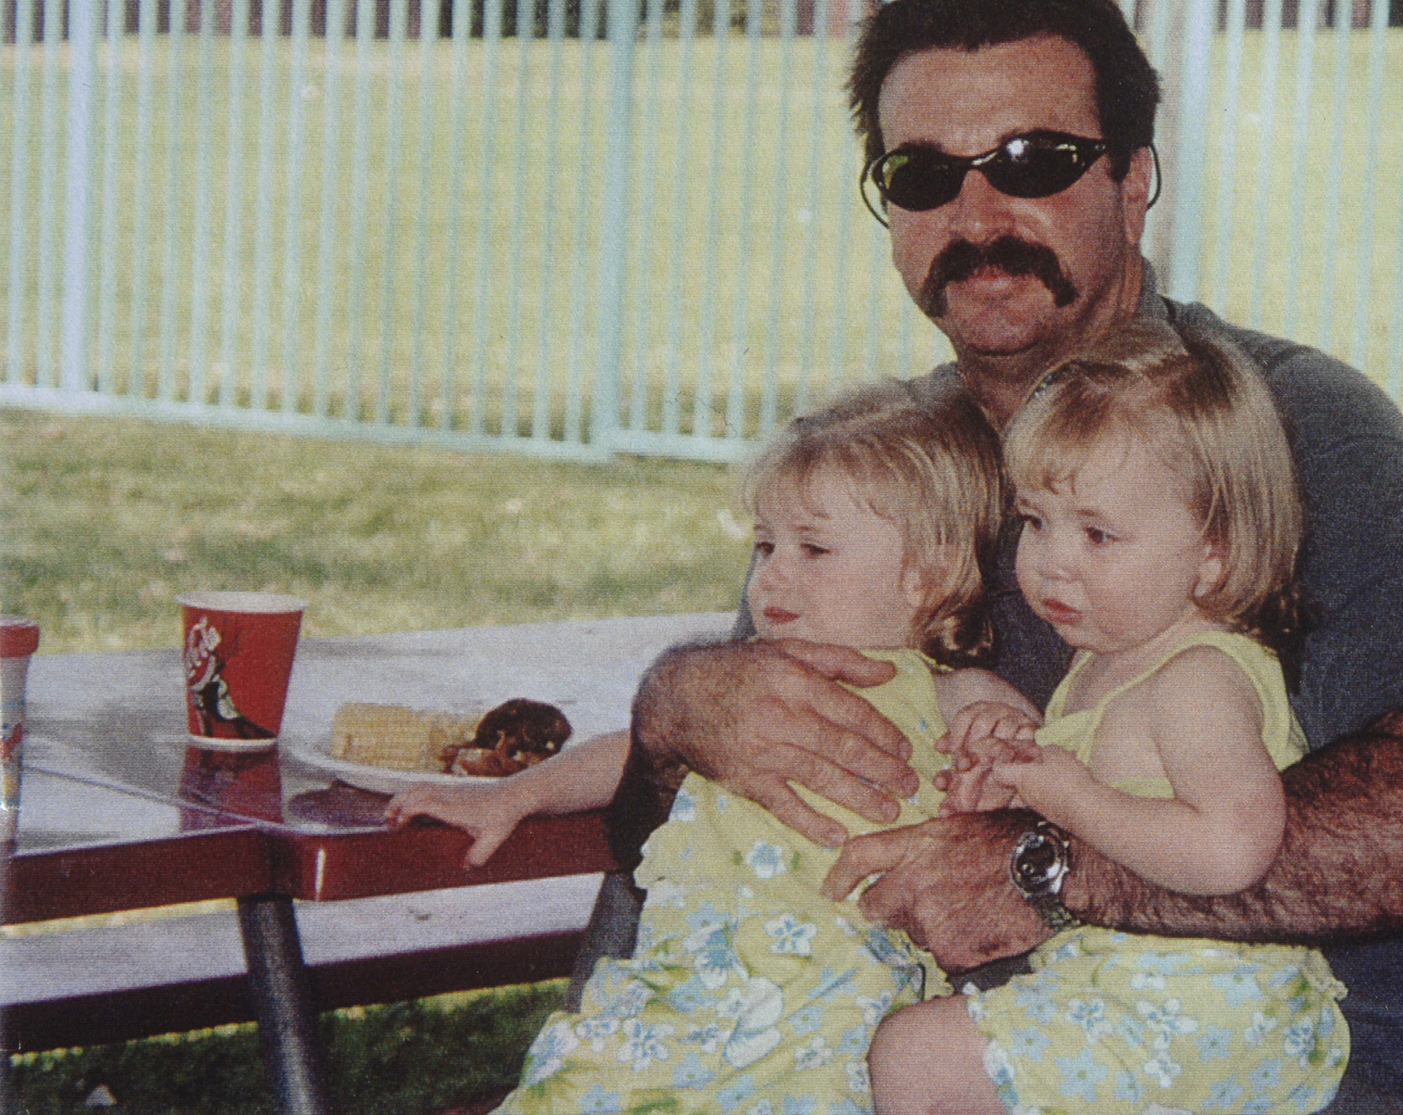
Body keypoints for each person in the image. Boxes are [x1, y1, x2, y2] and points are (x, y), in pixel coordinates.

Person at [411, 0, 1403, 1114]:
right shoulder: (886, 468)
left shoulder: (1281, 429)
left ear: (1135, 180)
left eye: (1034, 162)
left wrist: (1046, 872)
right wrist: (679, 717)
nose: (975, 217)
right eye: (922, 176)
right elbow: (704, 842)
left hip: (1308, 1075)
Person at [406, 380, 1038, 1114]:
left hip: (826, 1008)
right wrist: (512, 794)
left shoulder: (954, 694)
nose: (772, 575)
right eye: (766, 545)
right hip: (683, 988)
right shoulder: (752, 682)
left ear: (925, 572)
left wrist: (1002, 762)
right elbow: (625, 750)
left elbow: (1042, 779)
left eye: (814, 547)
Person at [869, 318, 1348, 1115]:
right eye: (1035, 521)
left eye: (1097, 532)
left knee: (913, 1056)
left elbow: (1236, 844)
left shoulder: (1197, 678)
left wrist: (1068, 798)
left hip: (1202, 1008)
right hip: (1145, 989)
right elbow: (1115, 806)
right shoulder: (1105, 664)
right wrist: (1012, 772)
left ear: (1214, 550)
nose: (1052, 559)